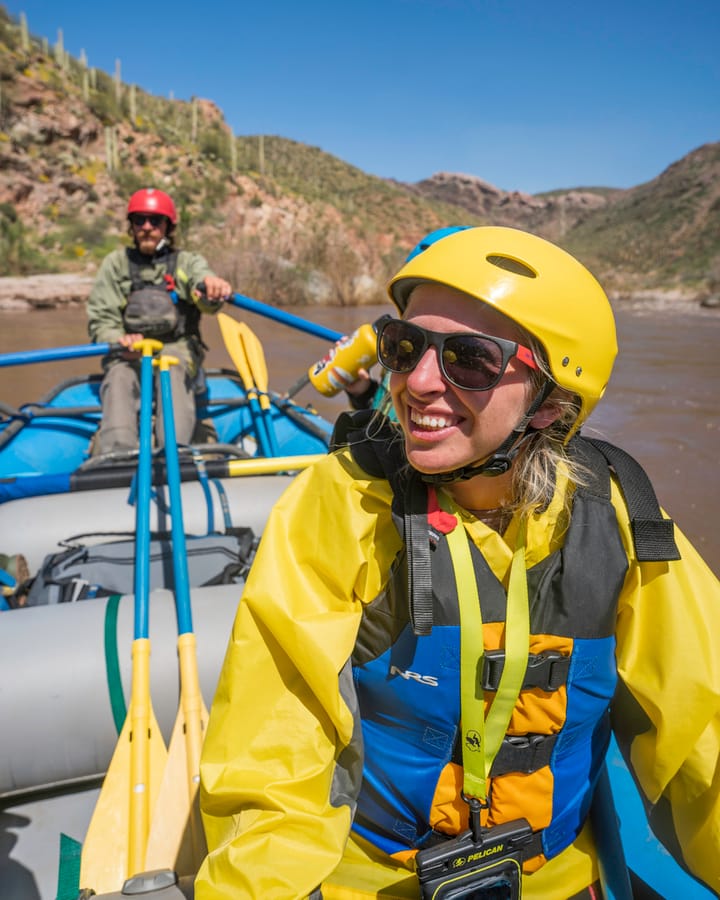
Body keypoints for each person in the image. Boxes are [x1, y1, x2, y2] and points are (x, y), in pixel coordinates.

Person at [196, 226, 720, 899]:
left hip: (555, 881)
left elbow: (703, 728)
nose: (416, 383)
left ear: (552, 401)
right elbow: (272, 748)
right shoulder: (340, 501)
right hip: (370, 881)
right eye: (403, 346)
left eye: (469, 359)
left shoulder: (619, 517)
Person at [87, 188, 232, 455]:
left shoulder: (186, 262)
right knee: (118, 375)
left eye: (155, 221)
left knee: (172, 368)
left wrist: (210, 288)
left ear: (167, 227)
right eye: (139, 220)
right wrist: (117, 340)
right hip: (130, 351)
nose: (146, 227)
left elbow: (201, 289)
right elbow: (101, 319)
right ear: (131, 226)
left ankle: (174, 450)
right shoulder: (115, 264)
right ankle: (118, 455)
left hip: (175, 349)